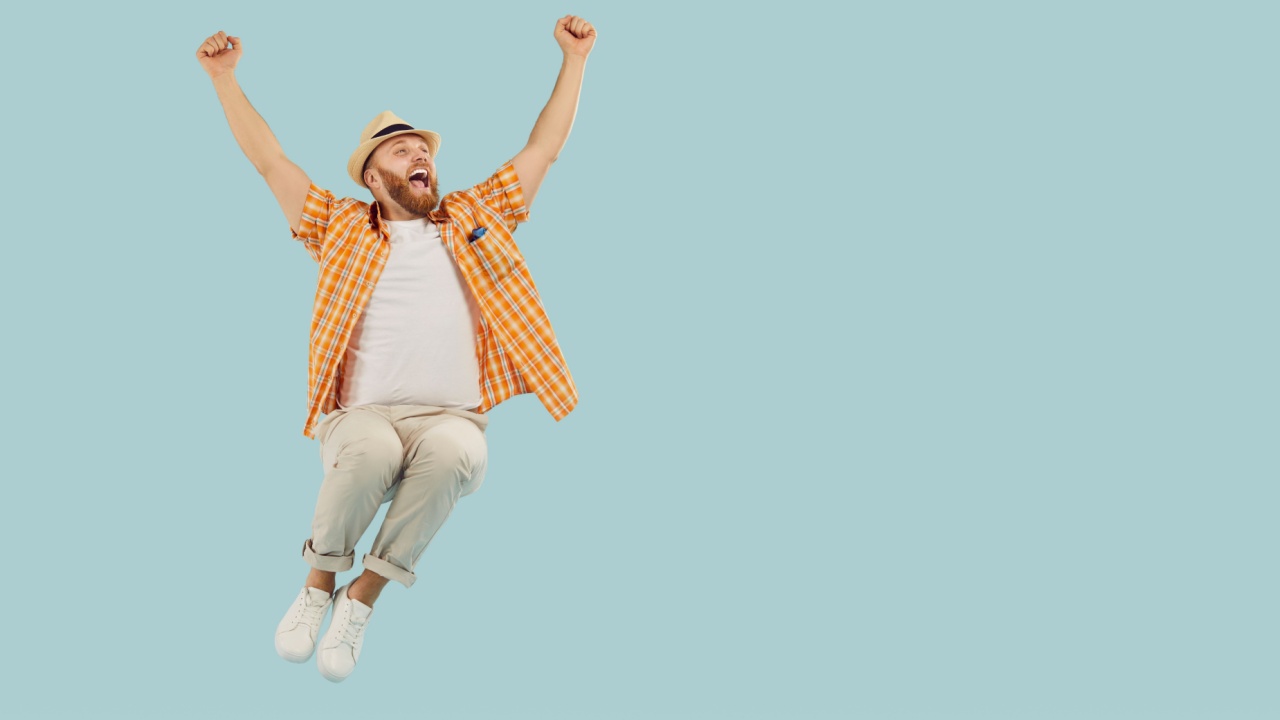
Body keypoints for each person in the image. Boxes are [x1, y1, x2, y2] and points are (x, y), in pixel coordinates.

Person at [196, 16, 594, 683]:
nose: (420, 156)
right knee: (375, 451)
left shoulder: (476, 212)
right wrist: (224, 79)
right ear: (372, 177)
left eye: (423, 148)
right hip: (364, 415)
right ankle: (318, 585)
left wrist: (575, 60)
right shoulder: (342, 224)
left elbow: (544, 148)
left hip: (453, 416)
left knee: (461, 455)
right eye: (403, 149)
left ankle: (359, 601)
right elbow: (270, 160)